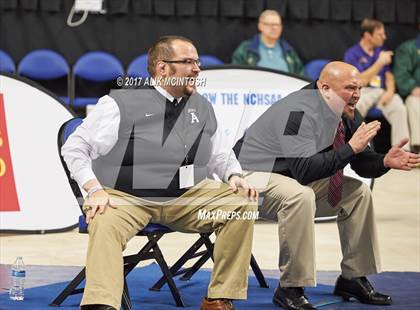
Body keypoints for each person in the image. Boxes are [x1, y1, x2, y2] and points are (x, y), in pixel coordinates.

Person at [62, 36, 258, 310]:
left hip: (185, 196)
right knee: (103, 220)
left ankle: (218, 298)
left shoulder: (201, 107)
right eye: (188, 62)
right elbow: (75, 147)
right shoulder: (121, 103)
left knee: (241, 203)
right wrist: (93, 189)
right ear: (163, 68)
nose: (197, 69)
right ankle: (101, 304)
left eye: (197, 61)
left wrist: (234, 176)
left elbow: (219, 154)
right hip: (128, 197)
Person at [234, 61, 420, 309]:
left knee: (358, 193)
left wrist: (383, 161)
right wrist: (350, 148)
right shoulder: (297, 112)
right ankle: (290, 288)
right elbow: (305, 171)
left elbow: (361, 163)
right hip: (249, 178)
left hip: (288, 179)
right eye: (350, 88)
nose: (356, 95)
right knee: (300, 196)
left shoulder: (347, 111)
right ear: (325, 88)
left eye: (359, 88)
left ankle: (353, 277)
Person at [344, 18, 410, 149]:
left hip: (382, 92)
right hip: (363, 91)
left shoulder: (381, 51)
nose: (384, 37)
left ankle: (402, 150)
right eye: (380, 34)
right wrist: (379, 63)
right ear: (368, 35)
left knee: (399, 108)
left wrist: (390, 92)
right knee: (356, 106)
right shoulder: (352, 54)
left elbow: (389, 76)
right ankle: (353, 148)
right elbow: (359, 82)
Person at [231, 10, 305, 76]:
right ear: (260, 26)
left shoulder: (288, 51)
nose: (275, 28)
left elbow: (301, 75)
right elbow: (236, 75)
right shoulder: (246, 49)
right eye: (270, 24)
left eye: (277, 25)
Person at [394, 31, 420, 153]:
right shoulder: (408, 49)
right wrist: (413, 88)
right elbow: (401, 75)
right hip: (414, 93)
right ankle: (418, 148)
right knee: (415, 103)